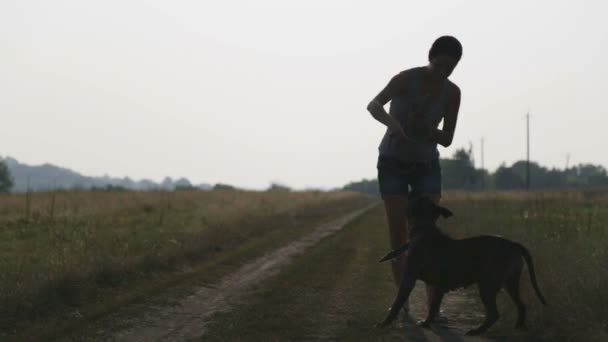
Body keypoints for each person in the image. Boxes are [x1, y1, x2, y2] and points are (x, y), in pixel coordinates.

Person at [366, 36, 462, 313]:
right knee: (400, 234)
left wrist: (427, 130)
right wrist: (394, 125)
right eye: (440, 64)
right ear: (430, 58)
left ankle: (434, 307)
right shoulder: (405, 79)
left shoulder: (452, 93)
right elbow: (373, 105)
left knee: (428, 236)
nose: (444, 71)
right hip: (392, 162)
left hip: (426, 167)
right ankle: (403, 303)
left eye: (451, 67)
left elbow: (447, 139)